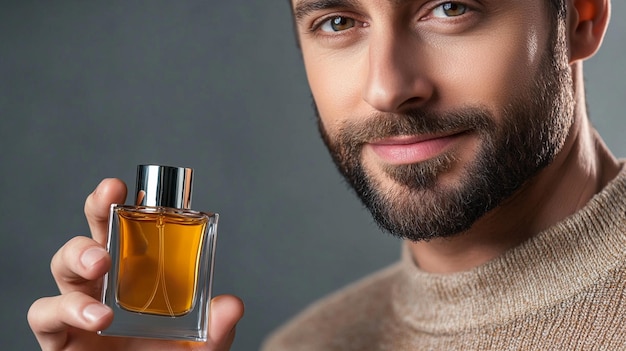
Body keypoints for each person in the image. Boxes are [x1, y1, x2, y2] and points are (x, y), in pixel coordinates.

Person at [28, 0, 624, 349]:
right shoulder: (305, 343)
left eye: (450, 7)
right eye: (338, 21)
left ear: (582, 17)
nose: (387, 89)